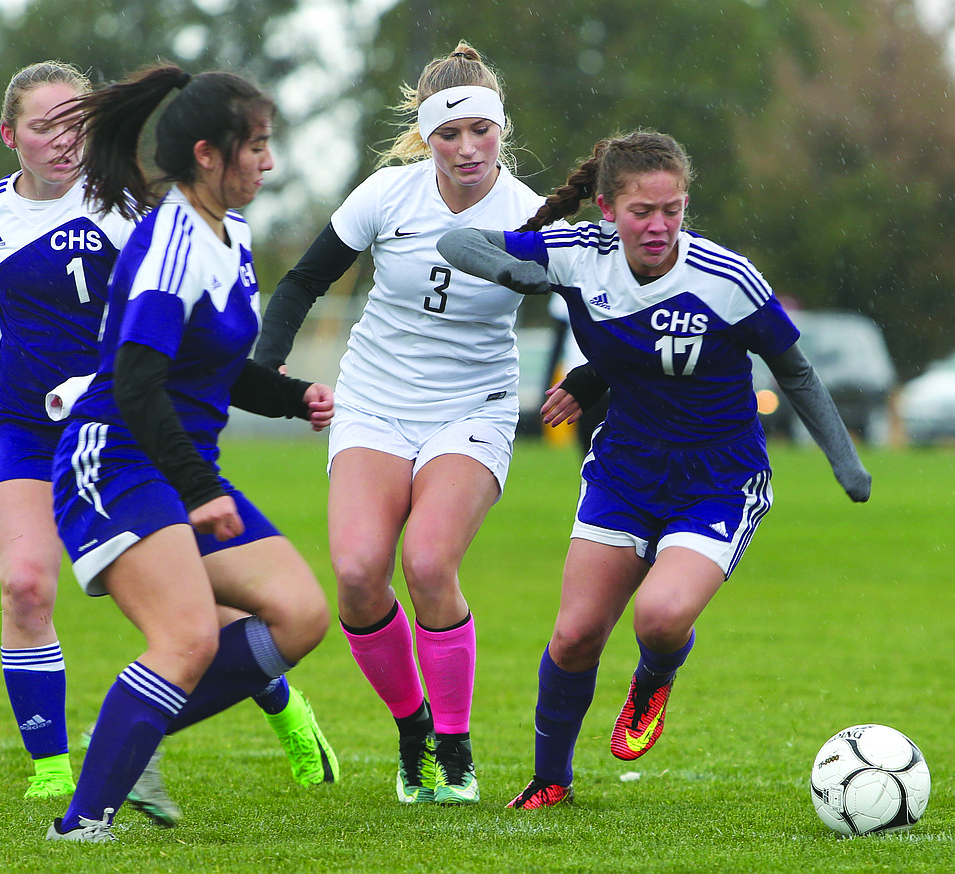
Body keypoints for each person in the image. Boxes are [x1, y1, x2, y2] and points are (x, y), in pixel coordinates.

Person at [0, 61, 334, 818]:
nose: (64, 141)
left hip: (154, 436)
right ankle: (61, 774)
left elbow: (196, 355)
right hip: (64, 436)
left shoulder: (164, 217)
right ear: (10, 136)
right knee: (38, 589)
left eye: (77, 124)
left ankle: (250, 710)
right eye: (45, 126)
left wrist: (297, 397)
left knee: (244, 617)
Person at [437, 129, 872, 809]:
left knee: (660, 619)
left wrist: (845, 462)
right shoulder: (580, 254)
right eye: (643, 211)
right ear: (607, 210)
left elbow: (796, 371)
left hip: (719, 477)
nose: (660, 226)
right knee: (576, 634)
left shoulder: (727, 279)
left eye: (673, 210)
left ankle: (653, 679)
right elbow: (455, 245)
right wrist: (518, 273)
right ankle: (551, 779)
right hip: (625, 469)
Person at [42, 63, 333, 843]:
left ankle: (136, 735)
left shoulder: (229, 234)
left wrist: (291, 392)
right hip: (117, 460)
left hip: (174, 469)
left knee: (302, 616)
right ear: (209, 153)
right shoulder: (172, 239)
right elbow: (137, 385)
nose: (269, 162)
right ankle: (81, 826)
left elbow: (216, 363)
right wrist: (200, 486)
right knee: (188, 638)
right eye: (258, 145)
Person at [254, 42, 543, 806]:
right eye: (449, 134)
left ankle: (454, 748)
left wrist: (590, 380)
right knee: (355, 574)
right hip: (376, 402)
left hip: (473, 409)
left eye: (480, 130)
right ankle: (411, 730)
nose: (467, 148)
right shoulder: (388, 194)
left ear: (500, 128)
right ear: (426, 137)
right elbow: (303, 281)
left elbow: (596, 305)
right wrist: (266, 362)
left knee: (427, 562)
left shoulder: (530, 217)